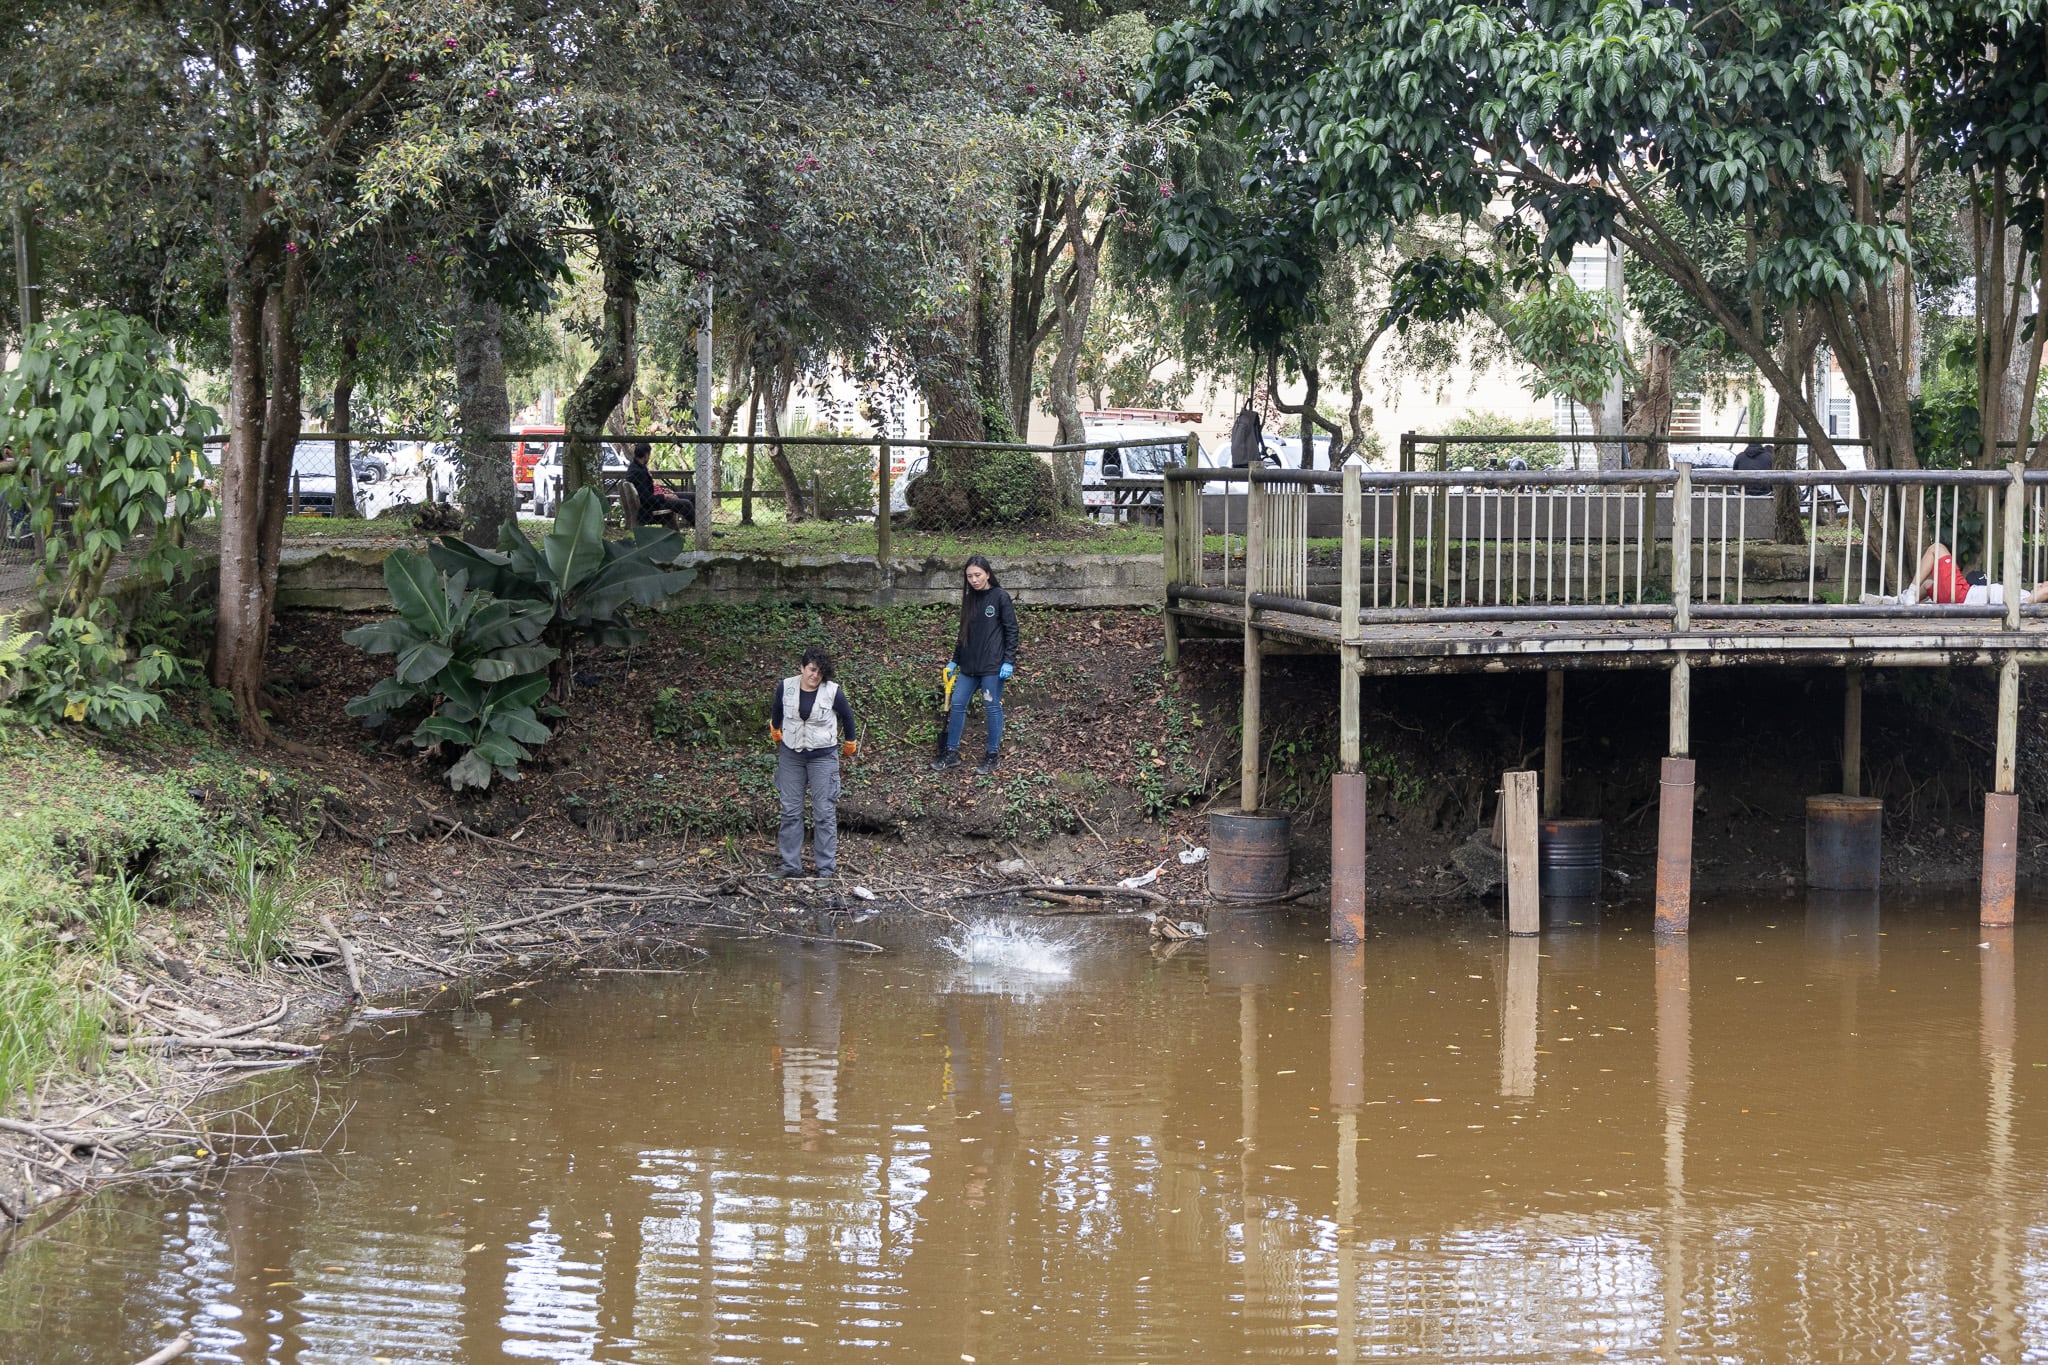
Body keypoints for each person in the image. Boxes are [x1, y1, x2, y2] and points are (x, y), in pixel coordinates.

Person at [769, 646, 859, 880]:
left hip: (823, 757)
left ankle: (826, 869)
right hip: (792, 755)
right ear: (802, 667)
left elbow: (847, 716)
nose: (815, 676)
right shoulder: (786, 686)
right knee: (790, 810)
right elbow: (777, 708)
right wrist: (775, 728)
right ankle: (790, 865)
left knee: (824, 812)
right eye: (811, 669)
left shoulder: (833, 691)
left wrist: (850, 741)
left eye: (820, 672)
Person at [932, 554, 1019, 775]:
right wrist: (955, 660)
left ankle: (992, 755)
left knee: (991, 707)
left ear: (987, 573)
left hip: (992, 665)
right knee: (958, 704)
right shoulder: (969, 599)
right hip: (969, 666)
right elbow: (964, 633)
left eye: (977, 575)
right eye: (969, 576)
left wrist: (1009, 660)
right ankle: (951, 753)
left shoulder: (1000, 597)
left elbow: (1011, 629)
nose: (973, 579)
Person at [1891, 542, 2048, 606]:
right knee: (1929, 584)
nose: (2040, 584)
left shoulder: (2026, 602)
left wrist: (2040, 594)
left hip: (1962, 595)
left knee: (1936, 548)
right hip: (1961, 597)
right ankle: (1902, 600)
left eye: (2043, 586)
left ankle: (1910, 593)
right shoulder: (2024, 596)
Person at [626, 441, 694, 522]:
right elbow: (645, 498)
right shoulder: (638, 472)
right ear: (646, 455)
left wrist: (663, 492)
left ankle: (700, 525)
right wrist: (665, 496)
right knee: (686, 504)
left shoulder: (637, 467)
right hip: (651, 507)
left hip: (655, 500)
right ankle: (699, 528)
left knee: (692, 496)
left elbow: (647, 489)